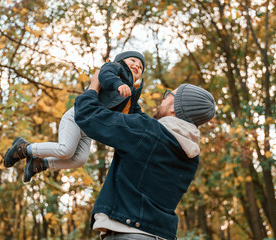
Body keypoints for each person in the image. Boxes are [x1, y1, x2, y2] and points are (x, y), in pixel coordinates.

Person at [74, 71, 216, 240]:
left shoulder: (147, 132)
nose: (163, 99)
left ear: (173, 108)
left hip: (127, 233)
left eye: (169, 95)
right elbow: (141, 126)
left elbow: (87, 115)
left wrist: (94, 85)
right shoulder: (191, 157)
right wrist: (130, 90)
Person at [3, 51, 146, 182]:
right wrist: (117, 84)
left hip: (89, 128)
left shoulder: (130, 93)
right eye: (133, 60)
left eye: (140, 67)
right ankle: (22, 149)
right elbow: (105, 75)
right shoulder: (115, 68)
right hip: (76, 116)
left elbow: (136, 113)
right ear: (121, 60)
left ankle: (41, 163)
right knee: (65, 150)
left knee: (80, 160)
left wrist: (151, 125)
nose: (136, 66)